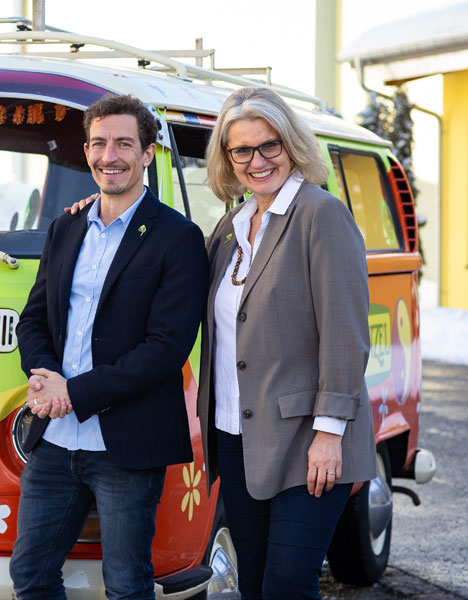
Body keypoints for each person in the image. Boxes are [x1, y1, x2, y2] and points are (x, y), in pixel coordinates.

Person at [9, 94, 208, 600]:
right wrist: (44, 375)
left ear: (147, 154)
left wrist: (73, 391)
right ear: (86, 150)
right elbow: (34, 320)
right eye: (99, 143)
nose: (109, 155)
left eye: (124, 143)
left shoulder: (178, 238)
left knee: (126, 585)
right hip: (55, 442)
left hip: (126, 447)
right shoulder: (65, 226)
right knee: (30, 576)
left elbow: (165, 349)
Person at [198, 86, 377, 599]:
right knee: (251, 584)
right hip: (237, 437)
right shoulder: (231, 228)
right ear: (227, 159)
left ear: (292, 144)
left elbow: (345, 335)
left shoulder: (321, 216)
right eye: (242, 150)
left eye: (269, 145)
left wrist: (329, 432)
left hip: (309, 440)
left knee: (287, 586)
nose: (257, 161)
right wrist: (97, 208)